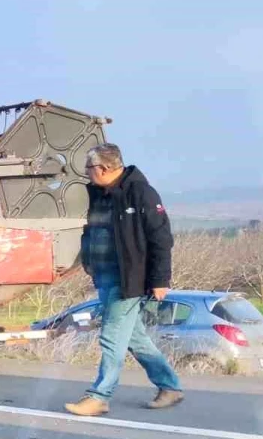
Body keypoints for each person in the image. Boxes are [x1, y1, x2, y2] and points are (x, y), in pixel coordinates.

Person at [65, 143, 184, 416]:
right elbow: (92, 233)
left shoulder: (140, 193)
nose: (86, 172)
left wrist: (160, 279)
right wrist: (80, 262)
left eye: (89, 167)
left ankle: (99, 395)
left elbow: (161, 238)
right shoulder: (98, 194)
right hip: (104, 276)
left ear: (104, 168)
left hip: (129, 279)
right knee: (134, 338)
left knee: (111, 337)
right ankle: (170, 387)